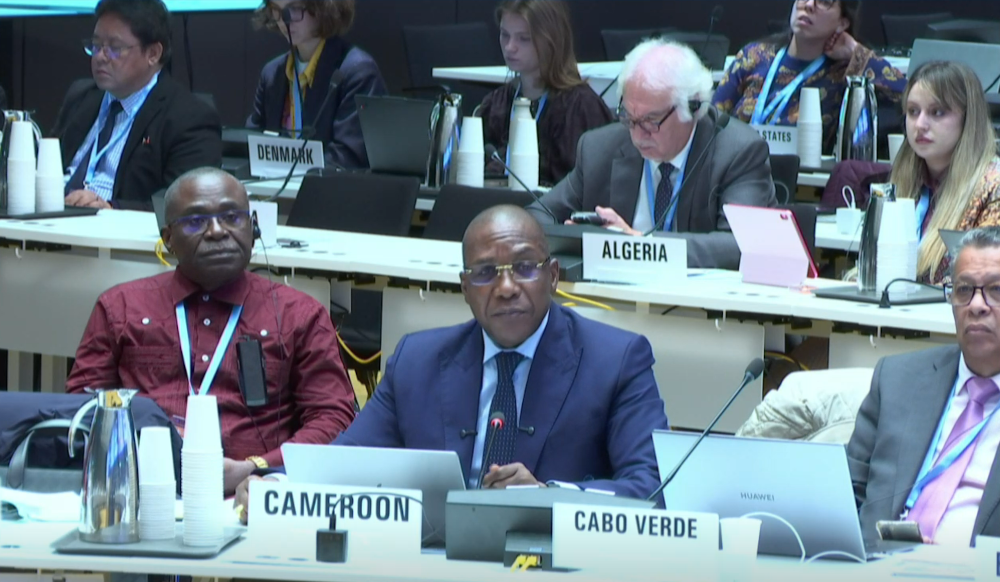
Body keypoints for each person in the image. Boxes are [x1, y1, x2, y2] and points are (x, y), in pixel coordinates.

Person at [235, 205, 670, 519]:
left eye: (524, 267)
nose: (506, 288)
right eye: (485, 273)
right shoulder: (417, 360)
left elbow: (653, 487)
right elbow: (348, 460)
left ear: (553, 276)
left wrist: (547, 495)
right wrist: (275, 485)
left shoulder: (616, 359)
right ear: (464, 288)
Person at [66, 167, 357, 495]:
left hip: (254, 492)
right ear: (168, 239)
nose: (217, 231)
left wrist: (259, 467)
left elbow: (334, 418)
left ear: (253, 228)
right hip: (142, 486)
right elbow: (82, 409)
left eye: (232, 217)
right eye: (195, 221)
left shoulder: (299, 315)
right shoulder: (121, 307)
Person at [529, 39, 777, 270]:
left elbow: (740, 245)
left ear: (694, 108)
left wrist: (638, 245)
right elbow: (535, 217)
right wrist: (576, 238)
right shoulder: (599, 148)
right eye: (629, 117)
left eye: (651, 120)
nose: (638, 135)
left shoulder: (738, 151)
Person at [848, 227, 1000, 546]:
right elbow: (847, 490)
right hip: (875, 563)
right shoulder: (897, 379)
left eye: (996, 290)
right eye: (964, 290)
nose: (977, 305)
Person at [52, 0, 221, 211]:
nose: (100, 57)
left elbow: (186, 205)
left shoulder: (189, 118)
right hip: (49, 216)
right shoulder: (81, 97)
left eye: (115, 48)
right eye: (96, 45)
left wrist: (111, 209)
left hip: (115, 226)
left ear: (153, 54)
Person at [713, 0, 906, 155]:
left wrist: (856, 52)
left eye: (824, 2)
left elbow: (908, 98)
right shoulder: (754, 56)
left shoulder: (843, 72)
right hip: (735, 170)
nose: (809, 4)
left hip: (803, 182)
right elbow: (711, 119)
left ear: (842, 22)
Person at [477, 0, 613, 186]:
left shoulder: (581, 108)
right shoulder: (496, 103)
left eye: (524, 38)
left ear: (551, 41)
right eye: (505, 35)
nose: (509, 47)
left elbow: (590, 187)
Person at [890, 61, 1000, 285]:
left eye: (937, 112)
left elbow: (982, 280)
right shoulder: (904, 180)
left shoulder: (994, 186)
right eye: (913, 111)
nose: (920, 124)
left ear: (967, 119)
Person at [247, 0, 387, 169]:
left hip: (330, 185)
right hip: (273, 183)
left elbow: (348, 157)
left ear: (323, 7)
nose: (285, 20)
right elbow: (251, 142)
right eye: (276, 10)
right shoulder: (272, 73)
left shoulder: (357, 71)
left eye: (294, 8)